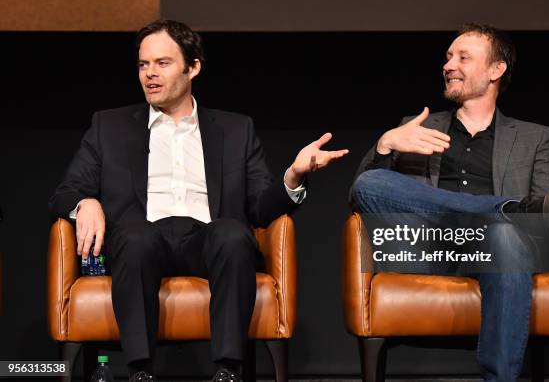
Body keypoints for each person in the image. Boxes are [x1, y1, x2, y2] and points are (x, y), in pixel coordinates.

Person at [49, 19, 348, 382]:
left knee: (233, 234)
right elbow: (65, 191)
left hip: (206, 241)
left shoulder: (236, 129)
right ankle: (140, 371)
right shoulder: (108, 126)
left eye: (162, 63)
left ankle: (228, 369)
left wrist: (295, 176)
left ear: (193, 68)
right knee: (134, 236)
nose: (150, 75)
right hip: (139, 244)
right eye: (143, 65)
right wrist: (86, 203)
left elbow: (259, 206)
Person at [350, 23, 549, 382]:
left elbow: (546, 218)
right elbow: (363, 195)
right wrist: (386, 145)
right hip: (428, 248)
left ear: (496, 70)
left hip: (498, 250)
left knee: (505, 237)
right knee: (370, 181)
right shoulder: (414, 128)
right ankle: (501, 208)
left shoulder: (534, 138)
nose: (449, 65)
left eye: (463, 57)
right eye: (448, 57)